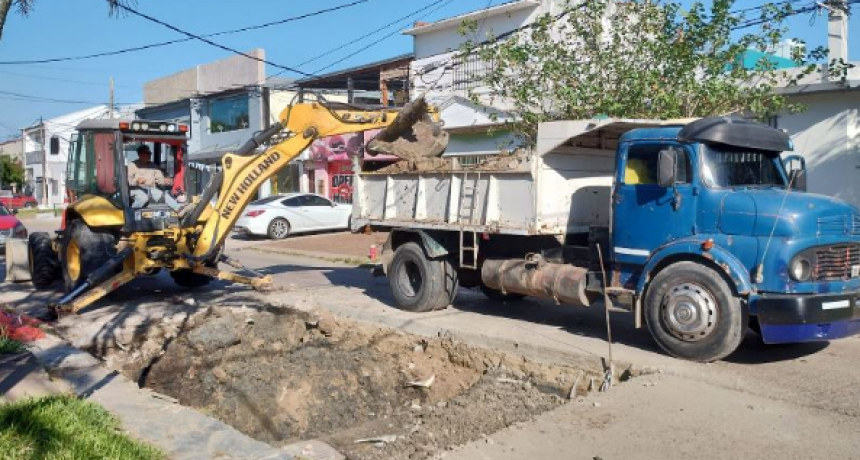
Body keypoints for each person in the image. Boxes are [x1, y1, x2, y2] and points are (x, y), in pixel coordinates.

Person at [128, 145, 179, 210]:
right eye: (147, 153)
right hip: (136, 189)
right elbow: (128, 180)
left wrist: (165, 181)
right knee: (143, 198)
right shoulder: (132, 165)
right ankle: (132, 212)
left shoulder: (153, 165)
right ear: (140, 154)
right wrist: (137, 181)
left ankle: (179, 209)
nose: (149, 155)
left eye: (150, 153)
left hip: (151, 189)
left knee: (164, 196)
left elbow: (159, 178)